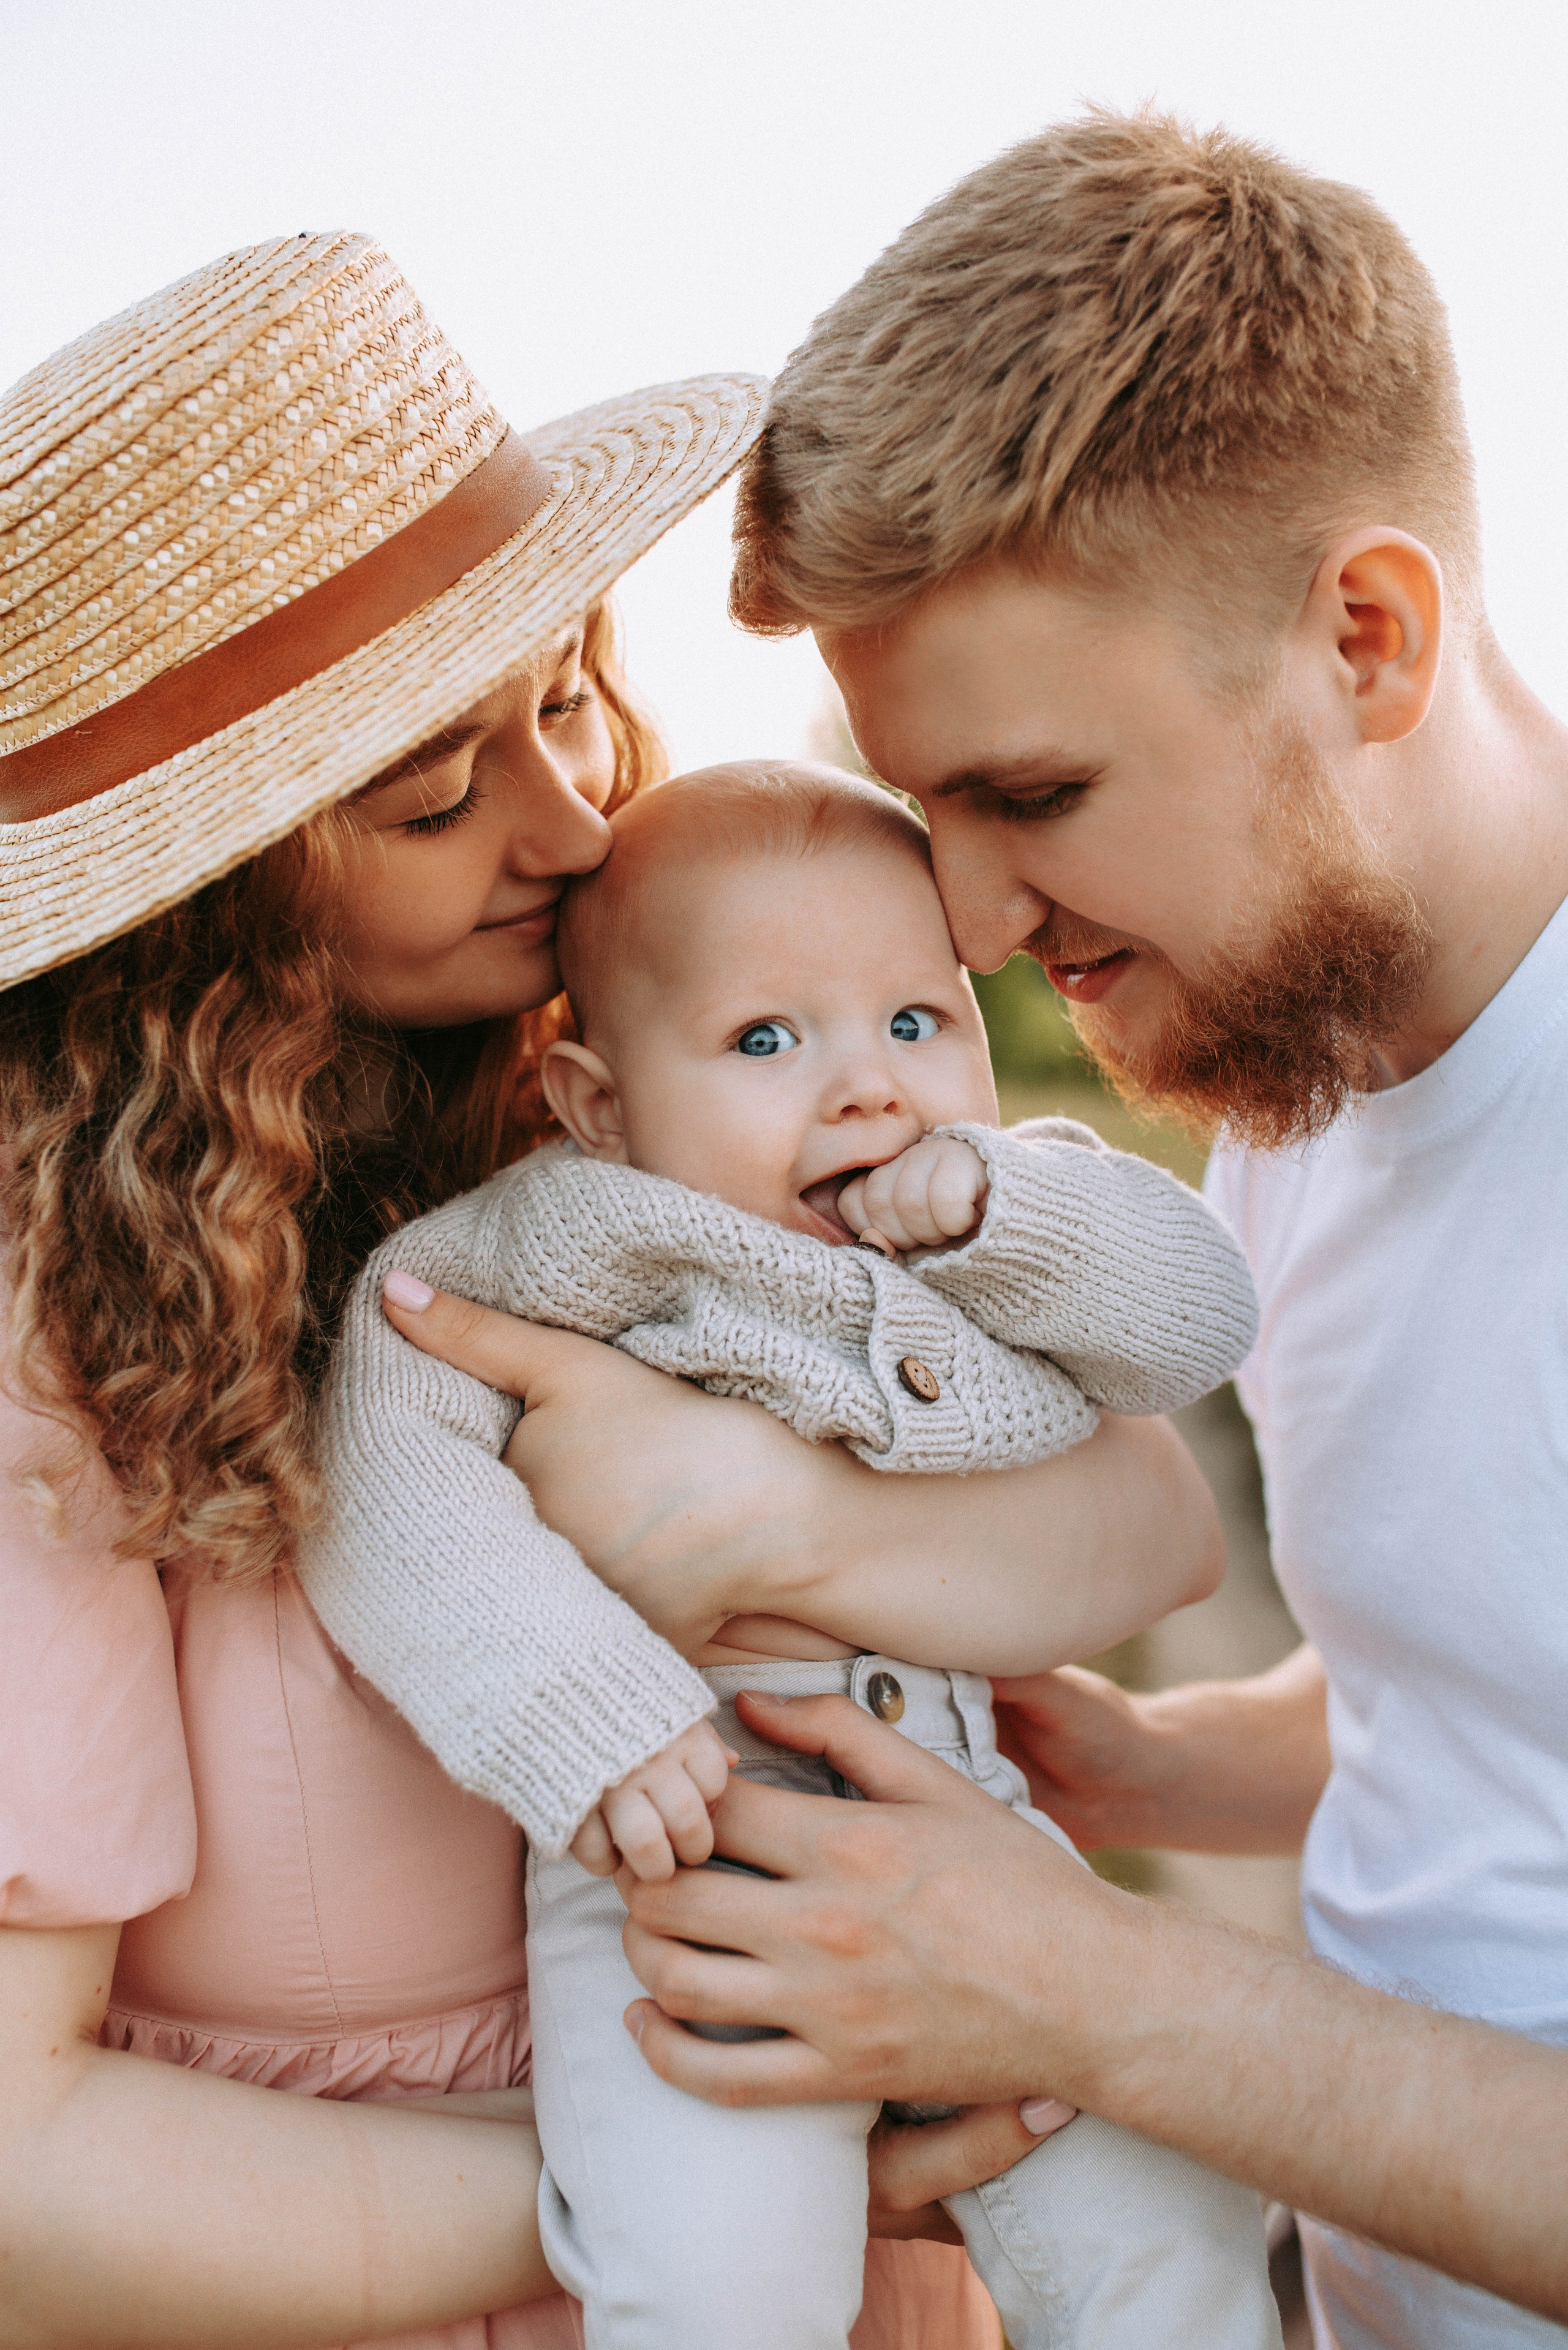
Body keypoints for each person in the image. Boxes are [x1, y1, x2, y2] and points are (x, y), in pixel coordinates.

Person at [375, 113, 1568, 2348]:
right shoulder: (1297, 1071)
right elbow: (1493, 1665)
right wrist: (1150, 1767)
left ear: (1370, 637)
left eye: (1033, 799)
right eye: (934, 815)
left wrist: (1094, 1994)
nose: (984, 927)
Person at [0, 232, 1220, 2349]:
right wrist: (743, 2178)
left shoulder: (645, 1090)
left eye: (562, 697)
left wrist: (790, 1526)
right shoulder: (58, 1339)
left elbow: (1151, 1514)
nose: (573, 822)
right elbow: (21, 2173)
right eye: (438, 789)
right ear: (207, 905)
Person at [301, 759, 1274, 2350]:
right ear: (600, 1108)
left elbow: (1196, 1320)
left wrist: (996, 1222)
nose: (870, 1088)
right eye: (767, 1040)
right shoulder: (557, 1240)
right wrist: (584, 1718)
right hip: (688, 1866)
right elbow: (385, 1469)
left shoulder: (993, 1214)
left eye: (917, 1020)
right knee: (710, 2270)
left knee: (1166, 2215)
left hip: (982, 1843)